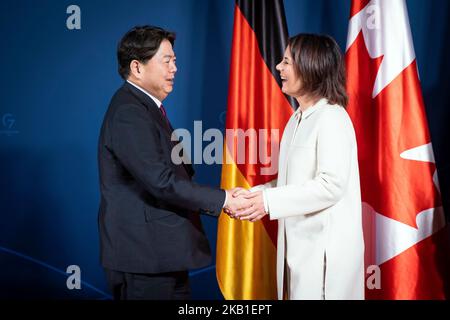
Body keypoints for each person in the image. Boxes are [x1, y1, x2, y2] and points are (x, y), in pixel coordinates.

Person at [98, 25, 245, 300]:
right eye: (167, 61)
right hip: (145, 259)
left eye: (175, 61)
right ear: (137, 68)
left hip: (162, 257)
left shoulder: (144, 107)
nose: (175, 68)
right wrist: (224, 199)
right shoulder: (129, 112)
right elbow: (161, 181)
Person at [232, 34, 365, 300]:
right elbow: (293, 181)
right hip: (299, 253)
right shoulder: (298, 118)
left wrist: (267, 201)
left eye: (287, 62)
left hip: (325, 261)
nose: (279, 68)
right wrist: (252, 196)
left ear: (311, 66)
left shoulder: (332, 118)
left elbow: (330, 185)